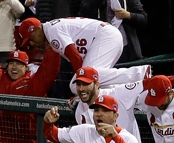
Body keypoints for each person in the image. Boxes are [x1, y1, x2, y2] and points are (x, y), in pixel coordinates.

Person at [17, 17, 150, 90]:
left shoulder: (51, 31)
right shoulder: (51, 32)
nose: (32, 44)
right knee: (94, 84)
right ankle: (132, 88)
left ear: (36, 29)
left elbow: (74, 56)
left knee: (82, 82)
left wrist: (82, 80)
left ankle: (139, 73)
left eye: (31, 39)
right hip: (106, 38)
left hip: (104, 37)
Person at [80, 0, 146, 63]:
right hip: (101, 47)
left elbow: (143, 18)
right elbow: (84, 13)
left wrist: (128, 15)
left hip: (126, 47)